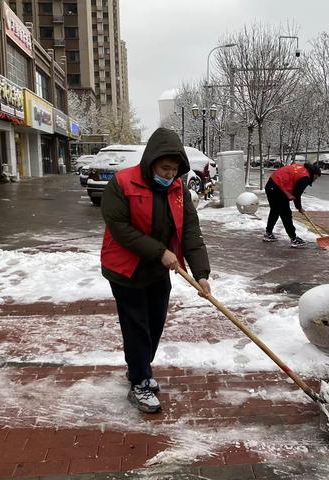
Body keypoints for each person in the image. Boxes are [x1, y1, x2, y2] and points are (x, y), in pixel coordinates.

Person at [100, 128, 211, 413]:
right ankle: (139, 380)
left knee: (155, 323)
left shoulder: (178, 191)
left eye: (175, 169)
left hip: (159, 268)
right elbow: (120, 229)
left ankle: (139, 368)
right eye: (165, 168)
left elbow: (190, 231)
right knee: (136, 327)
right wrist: (160, 252)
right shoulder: (122, 183)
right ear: (151, 162)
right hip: (125, 269)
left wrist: (201, 274)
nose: (170, 174)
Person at [263, 162, 321, 247]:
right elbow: (297, 194)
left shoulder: (302, 169)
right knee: (285, 214)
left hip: (271, 185)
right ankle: (294, 239)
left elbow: (294, 192)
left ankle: (268, 234)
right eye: (316, 177)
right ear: (314, 174)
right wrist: (299, 207)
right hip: (278, 188)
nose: (316, 180)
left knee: (275, 211)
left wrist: (298, 206)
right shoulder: (305, 177)